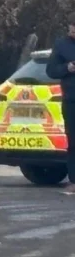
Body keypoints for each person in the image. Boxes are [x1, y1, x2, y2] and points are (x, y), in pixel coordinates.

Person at [45, 14, 75, 195]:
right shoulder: (62, 45)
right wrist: (67, 68)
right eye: (72, 27)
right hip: (72, 100)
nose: (73, 31)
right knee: (73, 141)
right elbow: (51, 71)